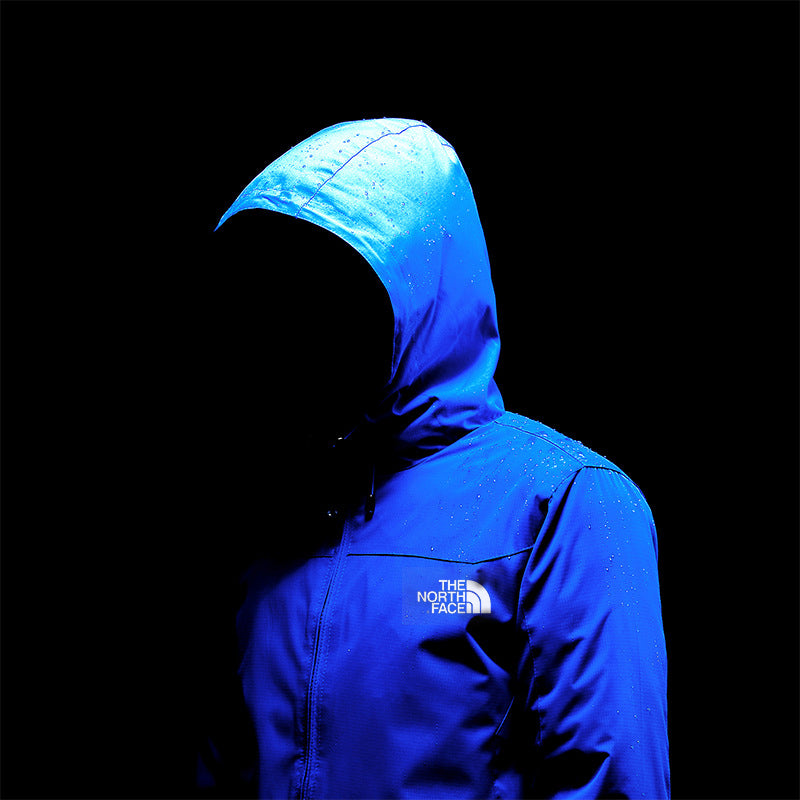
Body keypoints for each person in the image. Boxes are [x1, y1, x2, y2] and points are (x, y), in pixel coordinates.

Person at [197, 118, 669, 799]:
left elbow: (611, 780)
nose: (300, 320)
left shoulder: (564, 502)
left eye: (334, 285)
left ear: (419, 288)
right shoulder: (270, 510)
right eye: (280, 288)